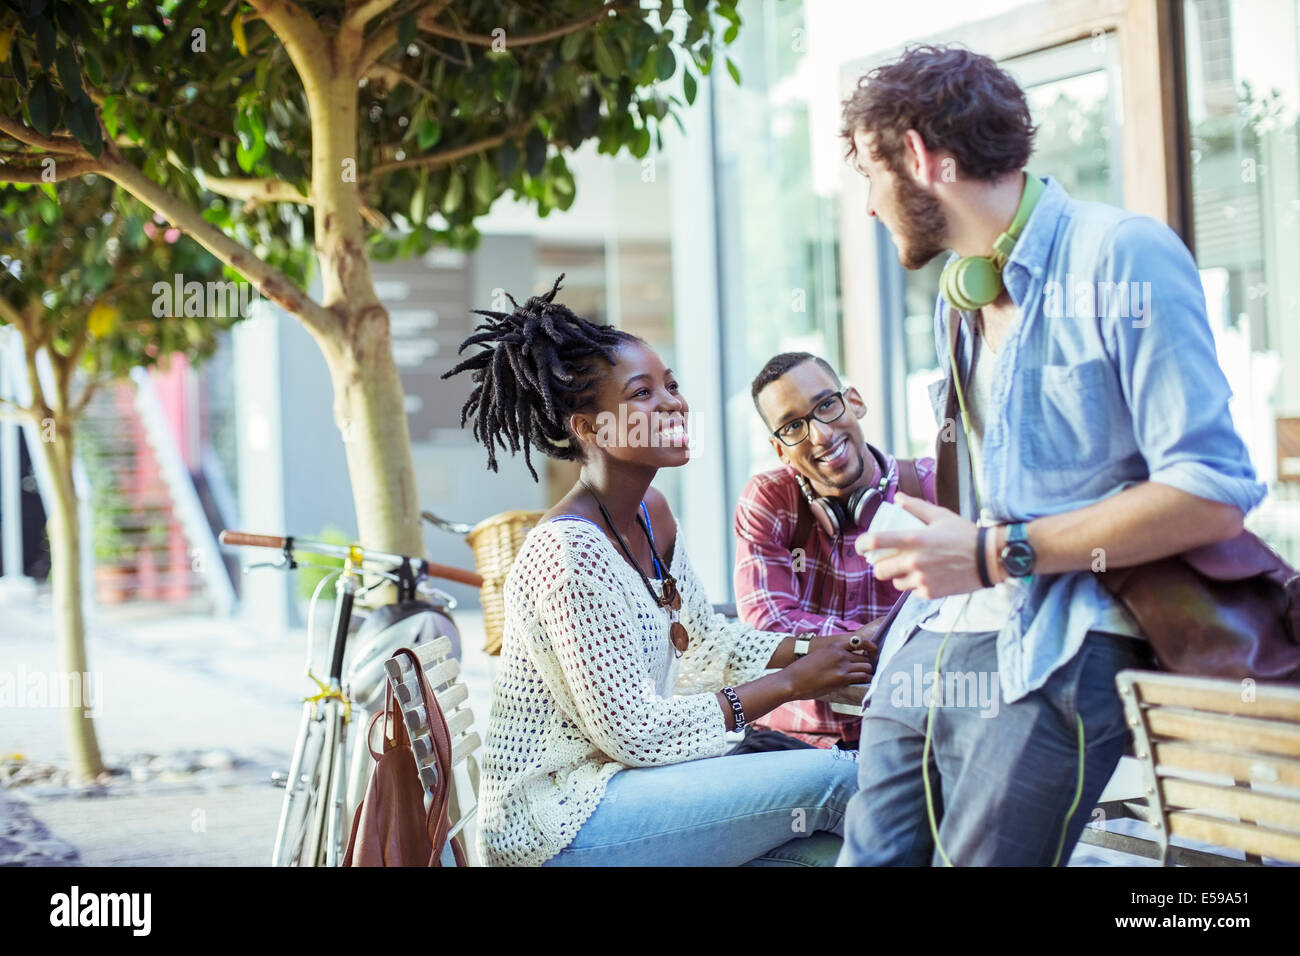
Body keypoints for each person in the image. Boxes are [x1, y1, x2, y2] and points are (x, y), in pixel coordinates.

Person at [835, 45, 1266, 866]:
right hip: (937, 633)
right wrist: (951, 533)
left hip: (1062, 640)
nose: (866, 205)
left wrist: (995, 550)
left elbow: (1211, 488)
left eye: (869, 174)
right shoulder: (959, 297)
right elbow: (1003, 502)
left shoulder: (1122, 257)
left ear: (921, 159)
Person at [442, 276, 875, 867]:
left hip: (629, 793)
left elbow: (706, 642)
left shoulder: (651, 514)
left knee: (820, 850)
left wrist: (817, 649)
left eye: (670, 385)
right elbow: (638, 733)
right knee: (841, 781)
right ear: (592, 430)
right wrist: (798, 681)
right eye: (642, 394)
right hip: (561, 824)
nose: (672, 403)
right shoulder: (569, 557)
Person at [731, 352, 937, 753]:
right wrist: (883, 636)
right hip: (789, 737)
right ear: (780, 450)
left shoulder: (931, 488)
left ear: (855, 402)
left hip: (903, 731)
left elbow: (959, 622)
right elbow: (768, 630)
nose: (820, 435)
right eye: (793, 426)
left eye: (826, 405)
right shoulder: (769, 499)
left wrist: (824, 647)